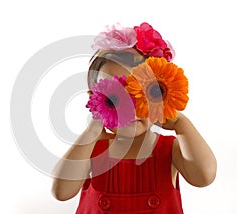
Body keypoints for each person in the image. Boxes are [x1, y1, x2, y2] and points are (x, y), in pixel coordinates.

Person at [51, 23, 217, 214]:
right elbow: (61, 191)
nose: (130, 109)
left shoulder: (169, 149)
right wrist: (91, 132)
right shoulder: (91, 148)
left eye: (142, 94)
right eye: (115, 97)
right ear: (95, 99)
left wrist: (182, 124)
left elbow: (204, 176)